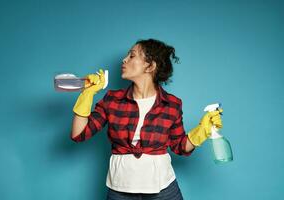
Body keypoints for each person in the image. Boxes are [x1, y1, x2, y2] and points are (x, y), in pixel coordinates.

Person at [71, 39, 223, 200]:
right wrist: (87, 94)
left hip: (164, 189)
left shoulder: (172, 104)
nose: (124, 59)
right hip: (120, 190)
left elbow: (180, 147)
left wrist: (203, 130)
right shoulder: (112, 100)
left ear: (150, 66)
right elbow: (79, 134)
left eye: (132, 56)